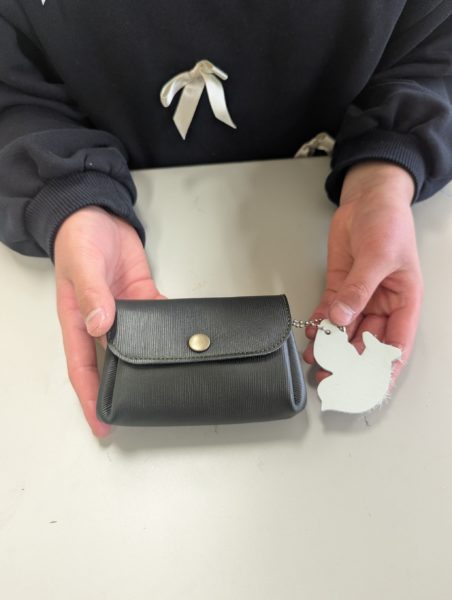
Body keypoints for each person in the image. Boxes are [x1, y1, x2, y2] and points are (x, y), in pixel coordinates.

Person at [0, 1, 451, 437]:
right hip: (118, 201)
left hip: (327, 204)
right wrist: (67, 191)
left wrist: (386, 170)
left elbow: (433, 47)